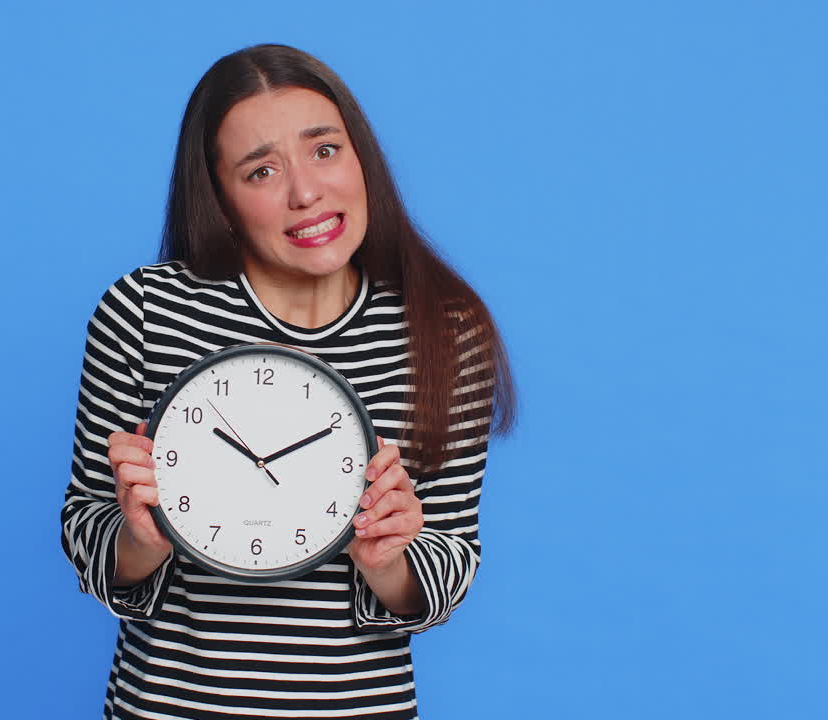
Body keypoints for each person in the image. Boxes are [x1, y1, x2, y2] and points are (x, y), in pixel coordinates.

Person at [61, 44, 516, 720]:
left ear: (361, 156)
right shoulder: (146, 314)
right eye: (262, 170)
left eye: (324, 150)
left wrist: (388, 559)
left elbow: (451, 561)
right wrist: (139, 539)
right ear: (218, 196)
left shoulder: (447, 332)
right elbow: (85, 530)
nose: (305, 192)